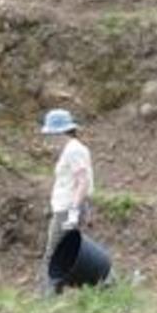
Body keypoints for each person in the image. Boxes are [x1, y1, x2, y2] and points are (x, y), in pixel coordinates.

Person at [39, 108, 94, 296]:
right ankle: (104, 284)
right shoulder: (72, 149)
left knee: (53, 254)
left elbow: (83, 180)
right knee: (69, 254)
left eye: (51, 135)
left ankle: (49, 297)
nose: (49, 140)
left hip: (67, 209)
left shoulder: (73, 150)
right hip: (66, 207)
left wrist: (73, 210)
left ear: (60, 132)